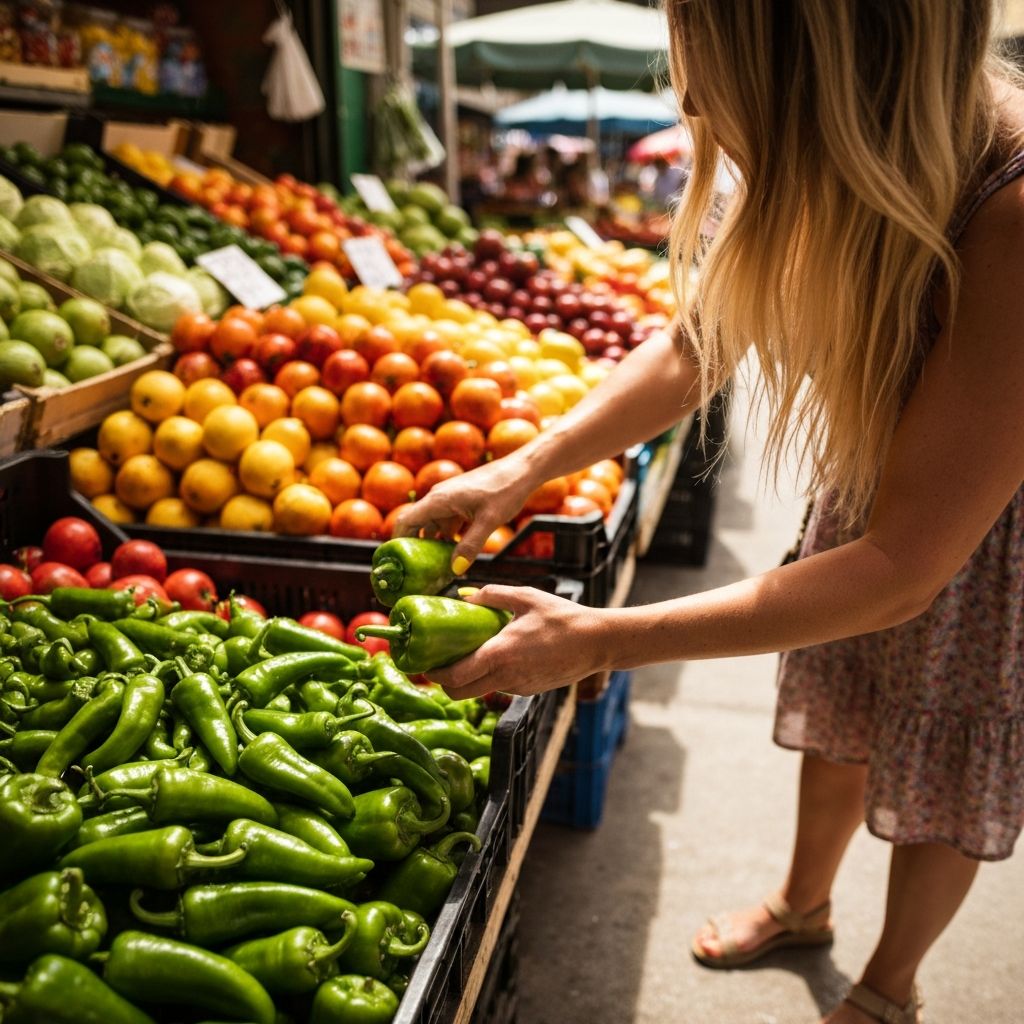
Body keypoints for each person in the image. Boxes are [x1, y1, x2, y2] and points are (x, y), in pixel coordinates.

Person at [396, 4, 1024, 1022]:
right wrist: (520, 469)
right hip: (877, 479)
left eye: (717, 97)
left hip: (989, 530)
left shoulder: (1010, 206)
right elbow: (698, 344)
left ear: (818, 84)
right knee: (837, 703)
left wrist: (601, 637)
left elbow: (906, 564)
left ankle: (890, 982)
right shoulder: (813, 159)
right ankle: (801, 901)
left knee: (948, 757)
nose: (705, 126)